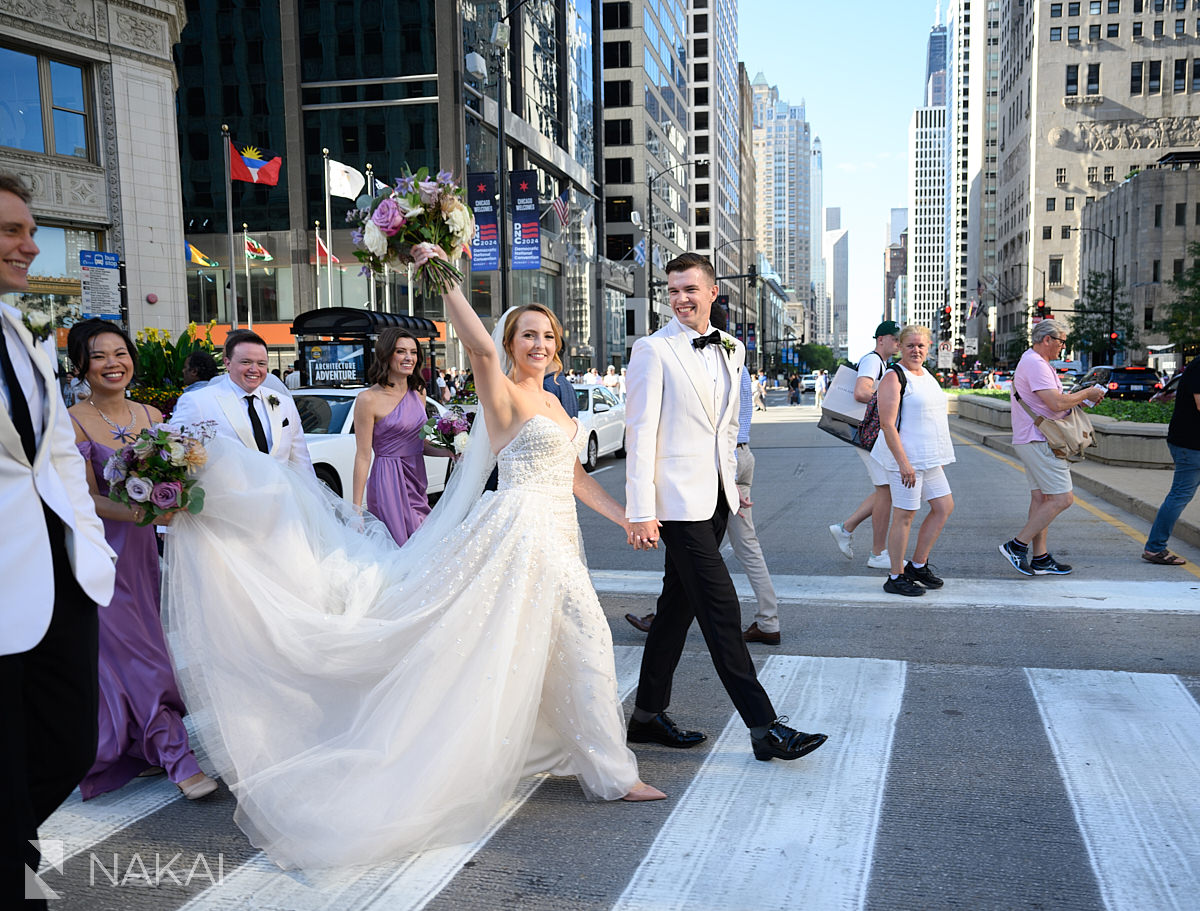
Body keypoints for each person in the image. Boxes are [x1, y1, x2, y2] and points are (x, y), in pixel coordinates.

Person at [158, 243, 664, 871]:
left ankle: (563, 746)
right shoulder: (502, 393)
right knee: (575, 639)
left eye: (548, 335)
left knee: (556, 641)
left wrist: (628, 518)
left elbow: (574, 475)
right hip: (517, 534)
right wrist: (442, 269)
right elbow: (475, 346)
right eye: (527, 334)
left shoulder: (558, 404)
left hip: (559, 534)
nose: (539, 343)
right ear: (509, 344)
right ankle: (613, 773)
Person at [623, 251, 827, 762]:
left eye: (690, 288)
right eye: (671, 291)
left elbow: (727, 429)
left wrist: (732, 487)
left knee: (676, 609)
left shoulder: (732, 349)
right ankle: (765, 727)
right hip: (675, 505)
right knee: (720, 608)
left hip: (715, 497)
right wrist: (641, 510)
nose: (680, 299)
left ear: (714, 292)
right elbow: (640, 434)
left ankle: (646, 716)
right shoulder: (653, 349)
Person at [0, 173, 116, 908]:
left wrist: (94, 542)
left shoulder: (23, 331)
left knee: (70, 744)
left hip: (61, 571)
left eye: (28, 227)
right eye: (11, 230)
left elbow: (59, 454)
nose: (30, 243)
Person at [65, 320, 217, 801]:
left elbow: (180, 470)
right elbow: (82, 497)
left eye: (120, 353)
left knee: (141, 649)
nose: (113, 363)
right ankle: (177, 757)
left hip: (143, 552)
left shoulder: (152, 414)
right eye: (98, 356)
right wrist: (143, 510)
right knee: (141, 655)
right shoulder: (69, 422)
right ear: (80, 367)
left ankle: (140, 744)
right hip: (97, 550)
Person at [623, 305, 781, 644]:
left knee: (726, 557)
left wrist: (728, 475)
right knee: (702, 554)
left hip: (725, 463)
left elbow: (724, 423)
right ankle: (667, 619)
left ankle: (767, 621)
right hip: (736, 456)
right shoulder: (725, 360)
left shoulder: (728, 356)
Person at [999, 319, 1106, 575]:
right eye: (1061, 341)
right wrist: (1087, 394)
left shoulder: (1034, 362)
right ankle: (1016, 546)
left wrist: (1080, 398)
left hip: (1033, 437)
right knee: (1062, 498)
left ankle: (1041, 558)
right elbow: (1056, 404)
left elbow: (1050, 403)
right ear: (1047, 339)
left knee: (1043, 498)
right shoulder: (1035, 364)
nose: (1063, 347)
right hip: (1039, 439)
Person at [871, 324, 956, 597]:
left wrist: (938, 456)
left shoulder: (926, 374)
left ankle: (917, 565)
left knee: (943, 507)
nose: (916, 350)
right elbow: (887, 424)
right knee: (905, 516)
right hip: (905, 460)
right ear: (900, 347)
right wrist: (904, 464)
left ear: (928, 347)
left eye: (921, 345)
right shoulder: (894, 377)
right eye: (910, 345)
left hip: (929, 459)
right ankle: (895, 576)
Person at [351, 328, 450, 546]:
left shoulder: (419, 392)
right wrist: (356, 509)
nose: (409, 358)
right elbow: (363, 456)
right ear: (386, 354)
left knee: (423, 542)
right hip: (387, 481)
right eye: (401, 351)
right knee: (398, 546)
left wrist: (451, 452)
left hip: (416, 478)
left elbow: (419, 444)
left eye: (413, 352)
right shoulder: (368, 399)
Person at [172, 328, 313, 474]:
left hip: (282, 495)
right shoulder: (197, 401)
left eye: (261, 364)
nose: (254, 369)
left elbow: (301, 460)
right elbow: (176, 455)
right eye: (246, 362)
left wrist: (311, 494)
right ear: (227, 363)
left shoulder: (284, 403)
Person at [829, 321, 901, 570]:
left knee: (887, 489)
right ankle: (877, 553)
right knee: (886, 491)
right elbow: (861, 393)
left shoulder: (881, 363)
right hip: (869, 433)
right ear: (881, 339)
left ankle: (845, 529)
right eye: (894, 338)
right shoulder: (872, 360)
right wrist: (890, 399)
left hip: (873, 433)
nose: (898, 343)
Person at [1142, 354, 1198, 565]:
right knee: (1180, 495)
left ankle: (1154, 546)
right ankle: (1154, 548)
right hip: (1191, 445)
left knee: (1180, 495)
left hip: (1189, 443)